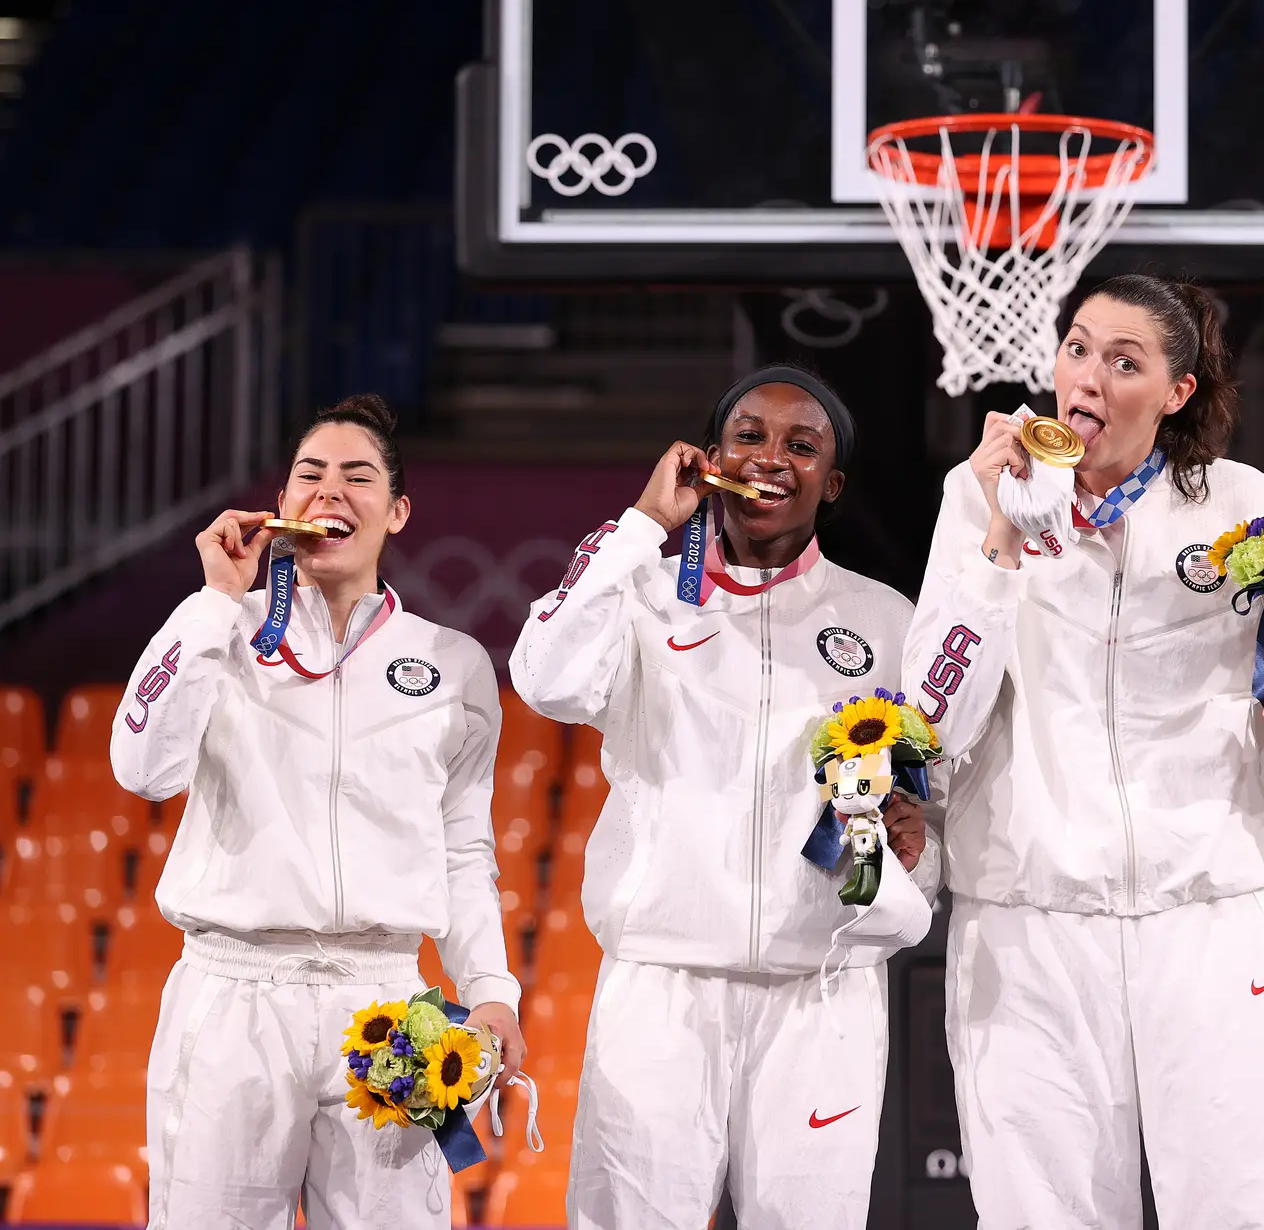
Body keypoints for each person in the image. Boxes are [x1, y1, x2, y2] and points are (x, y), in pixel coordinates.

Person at [903, 274, 1264, 1229]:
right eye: (1076, 348)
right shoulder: (980, 493)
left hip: (1214, 920)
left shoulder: (1248, 503)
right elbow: (937, 719)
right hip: (1032, 920)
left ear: (1177, 392)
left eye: (1124, 361)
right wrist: (999, 541)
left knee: (1247, 1211)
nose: (1087, 377)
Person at [509, 365, 941, 1230]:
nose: (770, 458)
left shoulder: (889, 621)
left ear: (834, 482)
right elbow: (542, 678)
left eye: (801, 445)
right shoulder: (638, 595)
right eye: (748, 436)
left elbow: (935, 808)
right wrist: (639, 529)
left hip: (823, 995)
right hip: (662, 988)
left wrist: (918, 853)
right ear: (709, 458)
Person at [110, 394, 526, 1229]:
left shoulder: (451, 664)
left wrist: (489, 988)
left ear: (398, 511)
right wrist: (215, 601)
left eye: (358, 477)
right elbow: (142, 768)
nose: (330, 491)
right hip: (234, 996)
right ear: (282, 504)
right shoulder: (217, 632)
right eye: (310, 474)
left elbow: (461, 849)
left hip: (389, 1008)